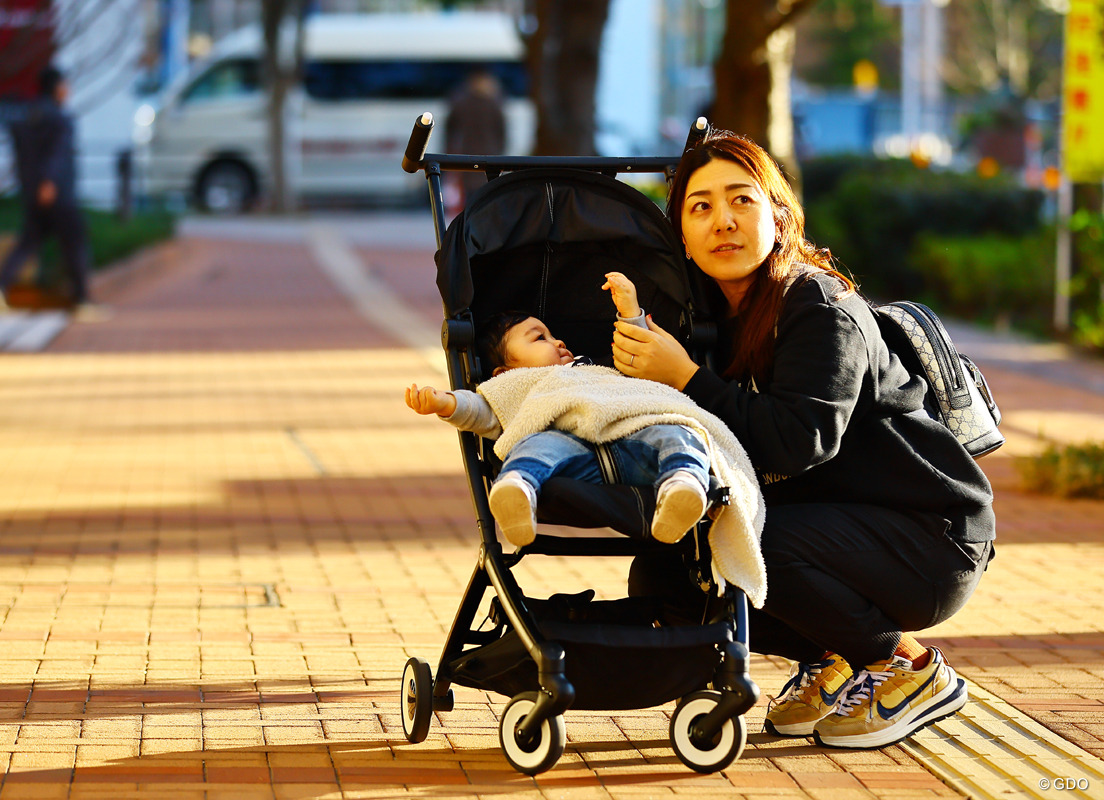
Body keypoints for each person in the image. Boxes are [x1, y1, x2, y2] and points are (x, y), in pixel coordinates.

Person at [610, 128, 995, 749]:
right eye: (701, 207)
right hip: (838, 528)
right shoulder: (708, 318)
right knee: (669, 573)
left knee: (757, 543)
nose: (724, 222)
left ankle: (904, 666)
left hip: (930, 538)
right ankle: (831, 660)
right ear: (679, 233)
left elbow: (798, 442)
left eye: (742, 200)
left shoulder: (817, 307)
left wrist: (684, 376)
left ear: (779, 213)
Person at [404, 274, 765, 604]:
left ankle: (682, 486)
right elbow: (481, 407)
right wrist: (445, 402)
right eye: (539, 338)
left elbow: (640, 360)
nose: (557, 340)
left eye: (551, 334)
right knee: (536, 443)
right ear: (505, 371)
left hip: (635, 445)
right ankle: (517, 488)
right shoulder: (515, 387)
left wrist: (630, 312)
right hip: (574, 462)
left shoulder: (595, 369)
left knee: (678, 432)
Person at [0, 66, 107, 321]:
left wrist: (31, 184)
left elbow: (20, 153)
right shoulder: (61, 120)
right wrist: (49, 182)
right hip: (58, 192)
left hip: (31, 191)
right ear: (55, 87)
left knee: (29, 242)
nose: (68, 91)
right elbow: (57, 154)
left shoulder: (26, 118)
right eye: (65, 85)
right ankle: (82, 301)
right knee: (75, 242)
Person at [443, 68, 506, 215]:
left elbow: (450, 130)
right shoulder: (494, 103)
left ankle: (468, 226)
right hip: (490, 154)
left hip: (466, 154)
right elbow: (502, 132)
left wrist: (449, 152)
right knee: (487, 194)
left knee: (468, 194)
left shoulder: (461, 101)